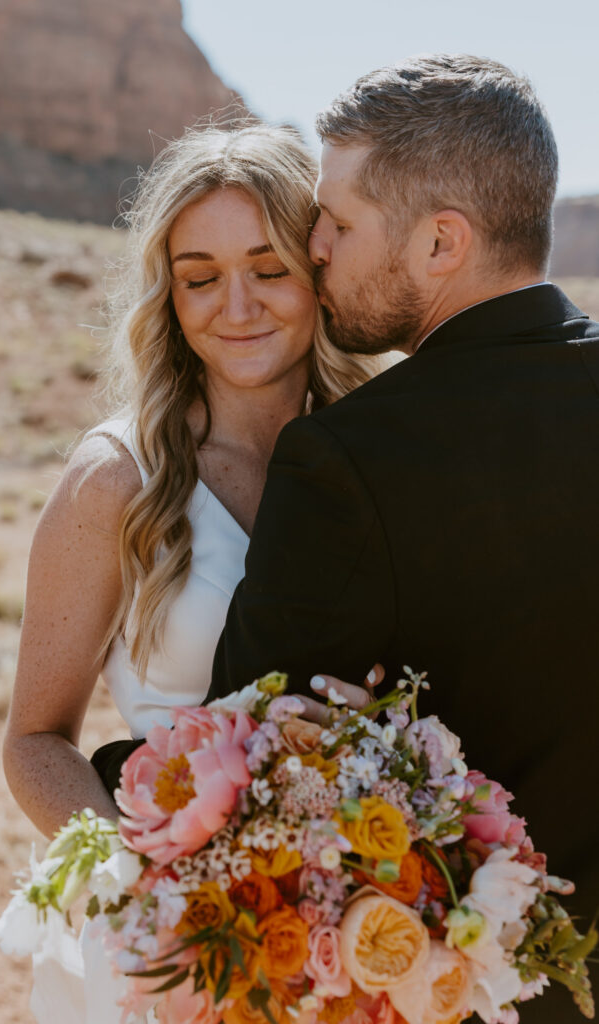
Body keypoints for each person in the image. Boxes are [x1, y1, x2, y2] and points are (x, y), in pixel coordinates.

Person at [201, 55, 599, 1023]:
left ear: (438, 243)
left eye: (336, 221)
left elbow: (245, 759)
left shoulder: (345, 459)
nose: (315, 247)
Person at [2, 123, 387, 1023]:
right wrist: (148, 892)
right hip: (171, 951)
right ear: (169, 298)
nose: (237, 304)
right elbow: (34, 741)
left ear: (319, 269)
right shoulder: (117, 478)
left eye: (269, 266)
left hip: (354, 923)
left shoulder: (382, 457)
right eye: (200, 278)